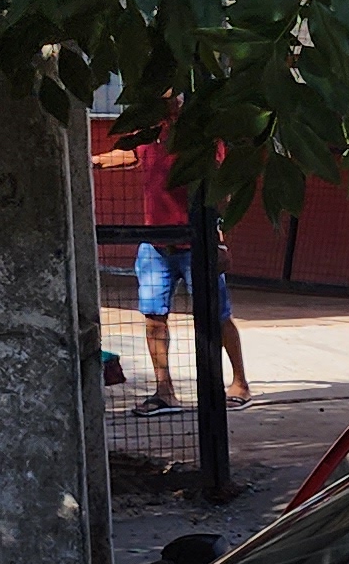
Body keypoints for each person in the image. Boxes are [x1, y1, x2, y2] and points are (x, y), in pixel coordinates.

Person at [91, 134, 251, 416]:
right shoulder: (150, 132)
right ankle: (164, 392)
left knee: (216, 315)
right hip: (155, 244)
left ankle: (240, 384)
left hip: (199, 242)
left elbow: (220, 190)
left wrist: (220, 240)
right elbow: (132, 155)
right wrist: (91, 161)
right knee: (154, 318)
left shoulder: (202, 136)